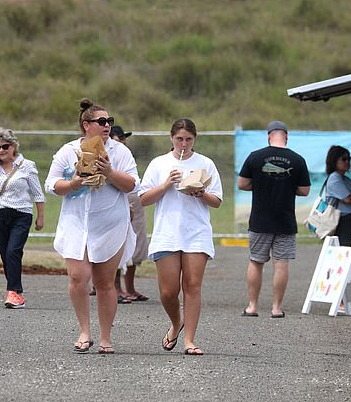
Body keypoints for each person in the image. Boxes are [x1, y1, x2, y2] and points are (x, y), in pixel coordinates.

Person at [45, 98, 138, 354]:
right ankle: (84, 331)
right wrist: (73, 183)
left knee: (104, 281)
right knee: (78, 277)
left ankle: (106, 337)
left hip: (109, 223)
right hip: (77, 222)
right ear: (86, 125)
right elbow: (51, 184)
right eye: (101, 121)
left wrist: (109, 173)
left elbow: (133, 185)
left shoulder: (120, 152)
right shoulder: (68, 150)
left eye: (110, 121)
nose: (107, 125)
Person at [140, 118, 222, 356]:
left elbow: (216, 201)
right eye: (179, 139)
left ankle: (190, 340)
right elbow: (143, 199)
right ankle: (177, 322)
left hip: (196, 231)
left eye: (188, 139)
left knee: (193, 286)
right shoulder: (159, 163)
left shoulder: (205, 163)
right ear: (171, 138)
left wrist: (201, 193)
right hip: (167, 231)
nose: (183, 144)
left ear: (194, 139)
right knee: (168, 291)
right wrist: (167, 183)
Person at [237, 121, 310, 318]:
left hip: (260, 220)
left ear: (269, 136)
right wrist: (287, 186)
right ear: (286, 136)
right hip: (285, 220)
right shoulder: (298, 160)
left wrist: (260, 184)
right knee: (281, 263)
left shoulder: (255, 156)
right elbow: (304, 190)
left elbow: (242, 184)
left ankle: (252, 306)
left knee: (256, 261)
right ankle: (276, 308)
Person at [0, 127, 45, 309]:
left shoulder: (27, 165)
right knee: (6, 255)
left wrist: (40, 217)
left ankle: (13, 291)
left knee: (13, 251)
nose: (1, 151)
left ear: (14, 146)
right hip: (0, 215)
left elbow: (38, 194)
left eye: (5, 146)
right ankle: (16, 293)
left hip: (21, 215)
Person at [110, 125, 148, 304]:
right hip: (116, 197)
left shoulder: (126, 155)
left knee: (137, 244)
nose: (122, 141)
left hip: (134, 197)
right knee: (117, 244)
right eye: (118, 138)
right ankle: (116, 288)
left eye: (123, 138)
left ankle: (130, 287)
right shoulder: (107, 155)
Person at [325, 145, 351, 247]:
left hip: (349, 222)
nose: (347, 162)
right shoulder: (335, 178)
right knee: (346, 251)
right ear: (334, 160)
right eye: (344, 159)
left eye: (349, 159)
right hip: (343, 222)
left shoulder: (345, 179)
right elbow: (348, 199)